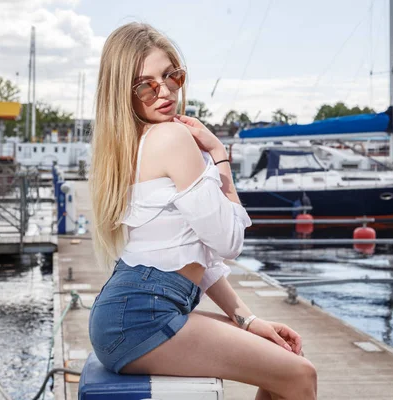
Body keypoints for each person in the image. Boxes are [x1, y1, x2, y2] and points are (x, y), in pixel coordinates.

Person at [88, 22, 317, 400]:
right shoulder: (174, 137)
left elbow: (200, 256)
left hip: (131, 312)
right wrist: (220, 155)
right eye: (146, 84)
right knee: (300, 375)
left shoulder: (134, 143)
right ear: (121, 93)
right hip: (143, 315)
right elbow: (229, 242)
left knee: (283, 356)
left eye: (171, 76)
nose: (164, 92)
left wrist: (247, 319)